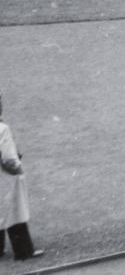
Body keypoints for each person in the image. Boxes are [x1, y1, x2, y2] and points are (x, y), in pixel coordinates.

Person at [0, 92, 42, 260]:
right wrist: (19, 167)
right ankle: (23, 251)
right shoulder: (3, 129)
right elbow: (9, 159)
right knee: (15, 212)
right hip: (5, 178)